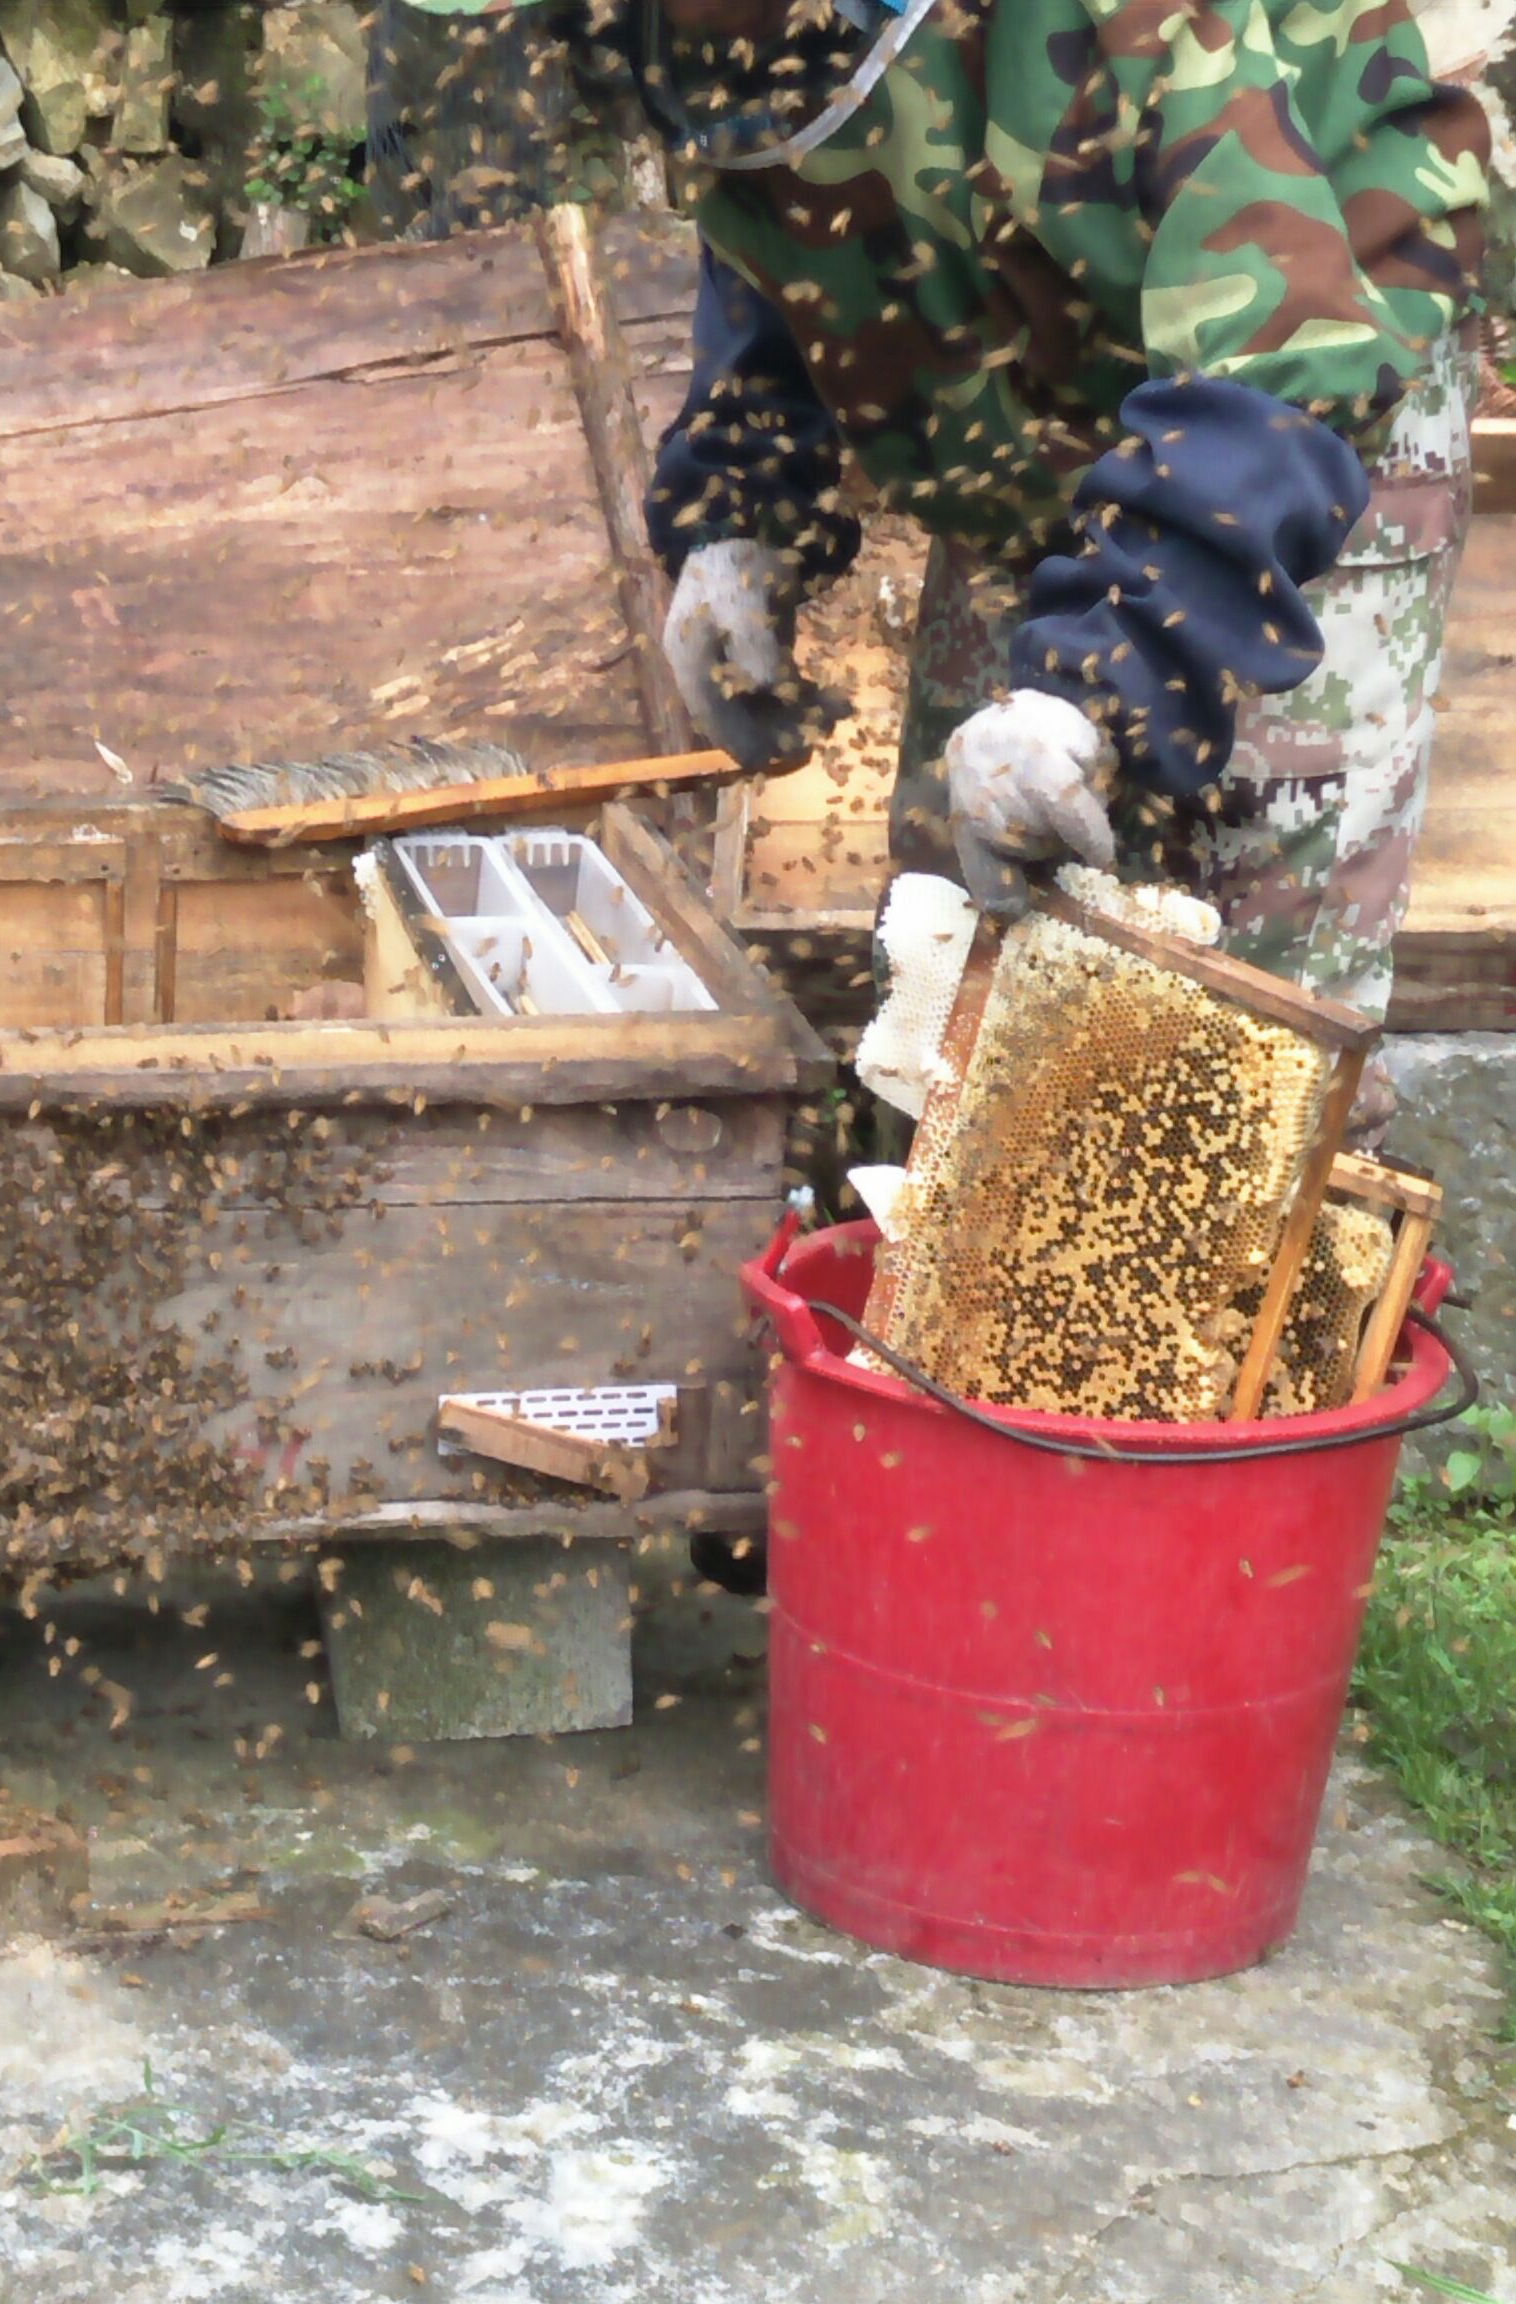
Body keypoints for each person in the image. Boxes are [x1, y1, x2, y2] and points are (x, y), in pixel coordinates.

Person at [404, 0, 1488, 1587]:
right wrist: (739, 505)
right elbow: (791, 215)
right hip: (1044, 383)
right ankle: (919, 1490)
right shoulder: (731, 40)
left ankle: (1177, 1577)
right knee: (964, 935)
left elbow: (1284, 349)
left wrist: (1098, 685)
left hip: (1306, 370)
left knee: (1247, 1012)